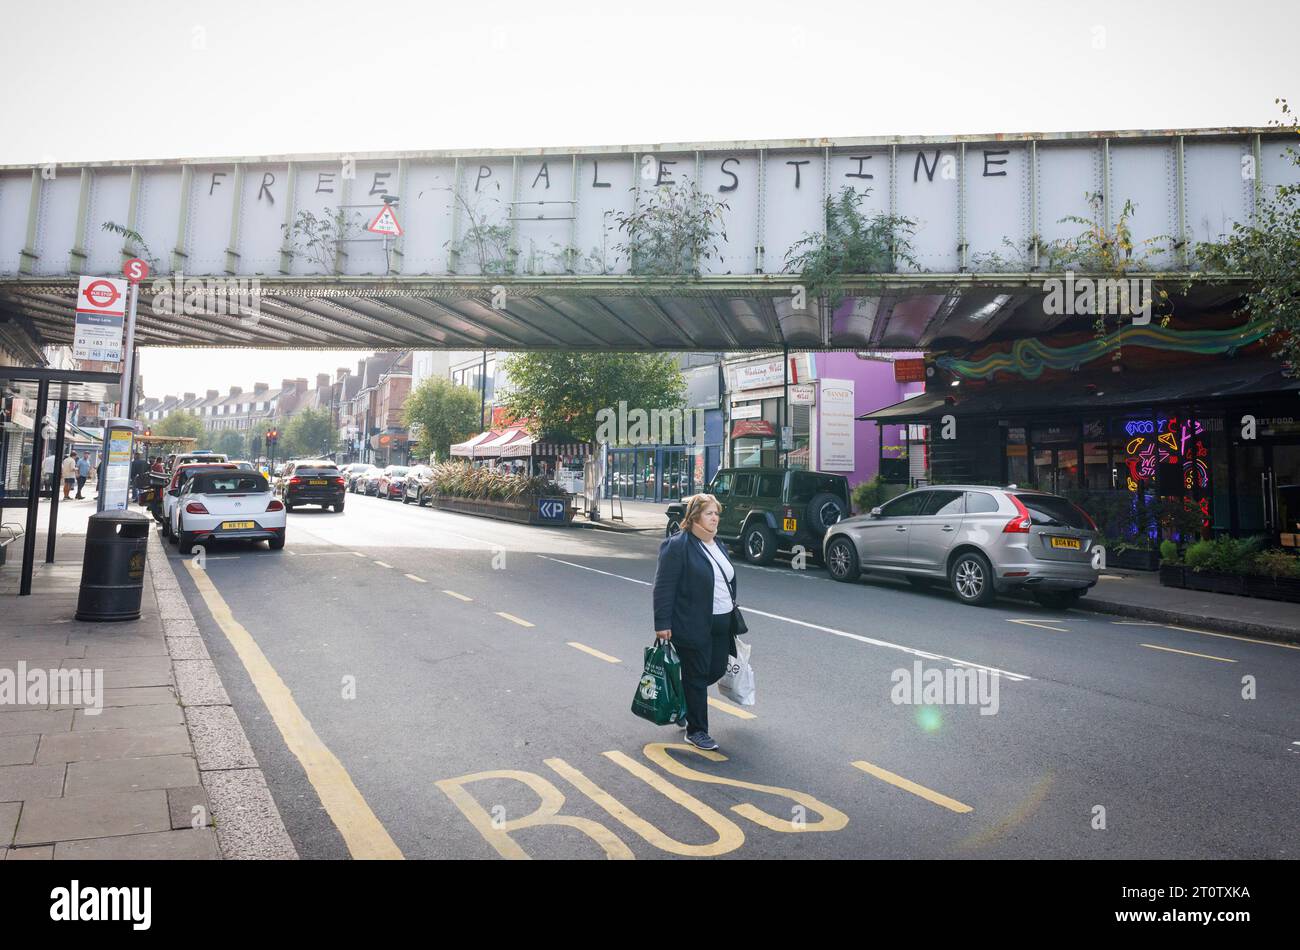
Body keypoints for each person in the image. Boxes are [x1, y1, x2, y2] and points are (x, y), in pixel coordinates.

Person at [652, 493, 739, 752]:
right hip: (692, 623)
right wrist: (662, 622)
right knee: (698, 675)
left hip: (723, 623)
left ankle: (684, 702)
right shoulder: (678, 545)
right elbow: (664, 587)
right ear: (694, 517)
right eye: (710, 513)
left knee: (715, 669)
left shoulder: (717, 544)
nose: (715, 518)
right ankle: (697, 730)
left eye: (717, 514)